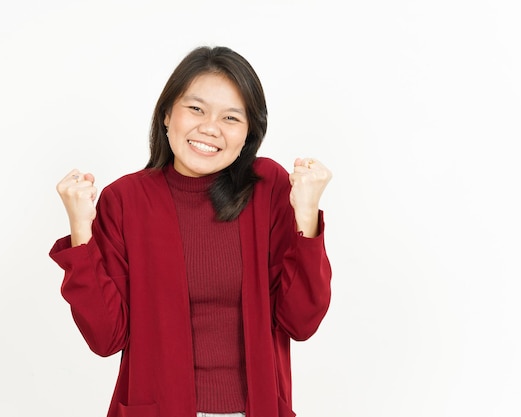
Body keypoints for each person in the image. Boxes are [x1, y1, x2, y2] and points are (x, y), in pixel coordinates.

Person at [49, 45, 333, 417]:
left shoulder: (269, 187)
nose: (210, 127)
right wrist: (81, 231)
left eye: (231, 118)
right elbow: (106, 338)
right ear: (167, 114)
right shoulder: (126, 200)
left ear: (249, 133)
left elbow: (300, 321)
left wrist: (306, 215)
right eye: (196, 108)